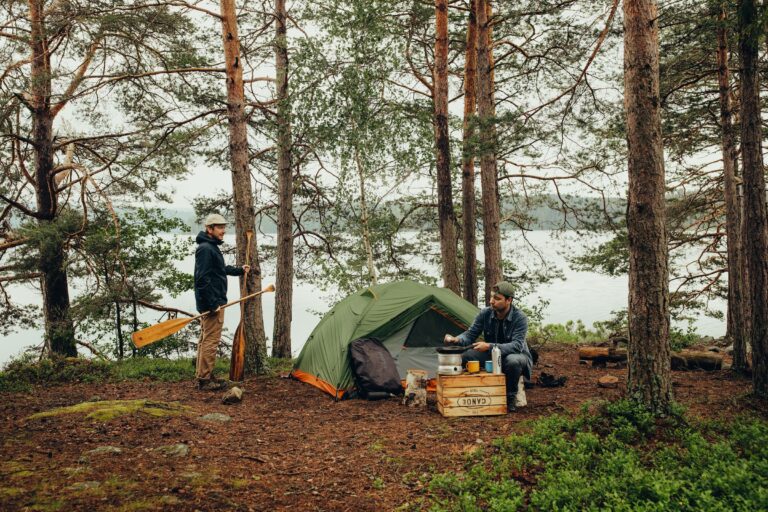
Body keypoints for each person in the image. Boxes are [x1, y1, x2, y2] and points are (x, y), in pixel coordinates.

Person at [444, 281, 532, 412]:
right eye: (491, 297)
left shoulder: (520, 318)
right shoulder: (485, 313)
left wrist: (489, 346)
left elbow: (517, 346)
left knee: (512, 361)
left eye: (497, 298)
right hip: (492, 355)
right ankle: (472, 393)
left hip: (517, 355)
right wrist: (456, 339)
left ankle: (510, 398)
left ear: (509, 300)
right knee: (467, 355)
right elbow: (470, 334)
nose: (491, 301)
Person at [194, 213, 250, 391]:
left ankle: (204, 375)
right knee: (211, 340)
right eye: (219, 227)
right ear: (209, 229)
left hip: (213, 301)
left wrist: (239, 270)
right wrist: (212, 304)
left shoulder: (210, 247)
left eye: (224, 227)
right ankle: (205, 379)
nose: (223, 231)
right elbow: (202, 279)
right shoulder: (206, 249)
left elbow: (219, 270)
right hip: (213, 303)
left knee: (205, 339)